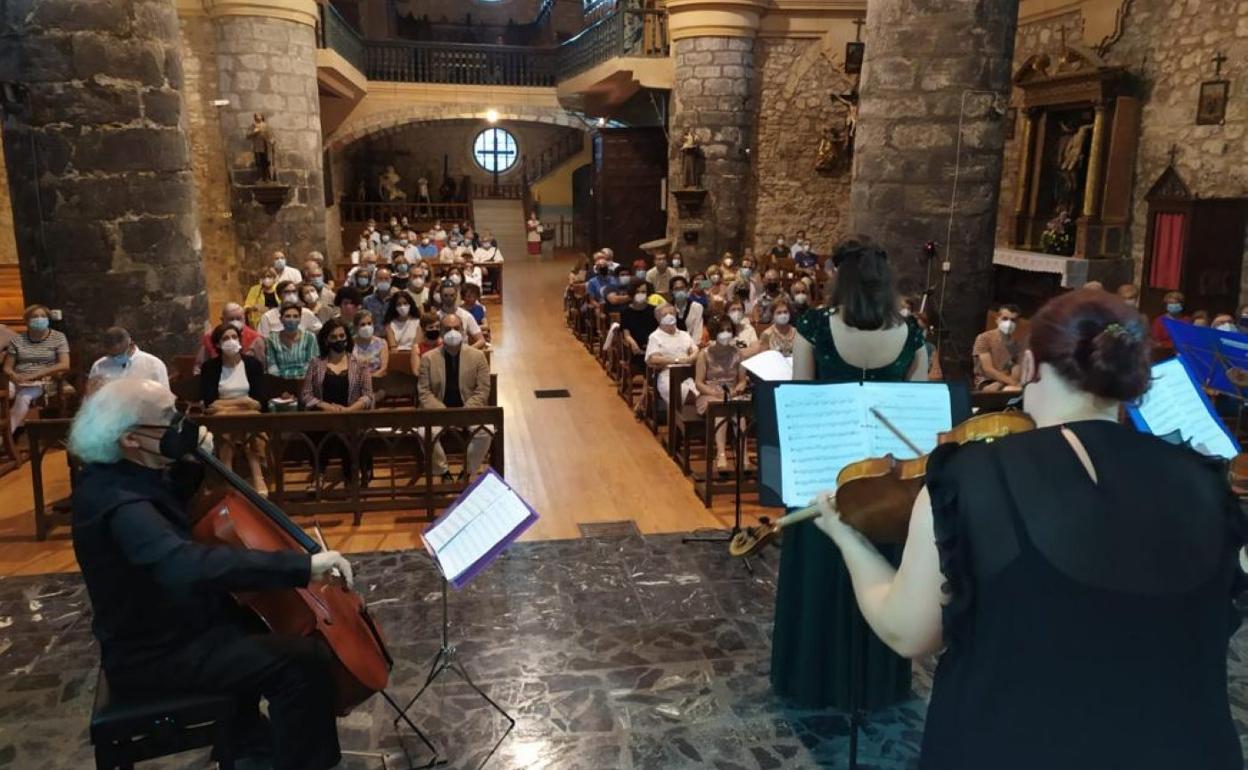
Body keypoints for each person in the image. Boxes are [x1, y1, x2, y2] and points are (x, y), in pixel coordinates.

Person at [813, 288, 1243, 770]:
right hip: (1190, 750)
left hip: (1013, 744)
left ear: (1031, 365)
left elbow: (906, 632)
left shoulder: (970, 476)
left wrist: (845, 535)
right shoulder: (1208, 484)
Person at [68, 378, 350, 770]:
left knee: (257, 626)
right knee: (304, 661)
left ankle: (248, 740)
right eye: (170, 418)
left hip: (168, 627)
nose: (183, 424)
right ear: (131, 439)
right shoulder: (118, 504)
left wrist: (191, 463)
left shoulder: (118, 474)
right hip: (156, 653)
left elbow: (165, 506)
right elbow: (185, 564)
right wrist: (300, 567)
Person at [774, 240, 928, 711]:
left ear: (839, 280)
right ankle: (875, 682)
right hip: (885, 482)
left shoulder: (814, 327)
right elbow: (914, 409)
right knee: (880, 568)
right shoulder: (914, 334)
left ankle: (812, 678)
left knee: (820, 570)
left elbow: (801, 398)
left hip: (826, 471)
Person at [417, 315, 493, 481]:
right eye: (447, 329)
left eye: (456, 328)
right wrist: (444, 412)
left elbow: (483, 390)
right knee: (425, 434)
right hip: (438, 412)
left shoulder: (478, 356)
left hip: (469, 410)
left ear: (463, 331)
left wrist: (465, 411)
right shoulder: (428, 358)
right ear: (441, 332)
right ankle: (443, 472)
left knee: (486, 431)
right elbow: (424, 392)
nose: (452, 332)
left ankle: (466, 471)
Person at [301, 320, 375, 486]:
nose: (338, 339)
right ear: (326, 341)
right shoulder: (316, 363)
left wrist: (349, 410)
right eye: (333, 337)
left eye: (342, 336)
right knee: (316, 429)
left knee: (353, 431)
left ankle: (352, 475)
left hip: (351, 415)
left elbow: (368, 395)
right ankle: (318, 474)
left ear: (347, 339)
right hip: (325, 416)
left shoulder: (360, 364)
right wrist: (326, 407)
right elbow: (306, 395)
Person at [199, 323, 269, 494]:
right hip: (222, 417)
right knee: (225, 423)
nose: (231, 341)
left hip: (247, 414)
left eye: (234, 337)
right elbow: (211, 404)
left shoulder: (252, 365)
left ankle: (257, 475)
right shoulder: (210, 368)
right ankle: (228, 474)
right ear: (217, 344)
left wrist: (230, 404)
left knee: (251, 419)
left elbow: (259, 402)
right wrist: (243, 401)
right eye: (225, 338)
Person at [5, 305, 71, 438]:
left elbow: (64, 364)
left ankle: (5, 438)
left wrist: (34, 375)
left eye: (43, 316)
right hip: (17, 379)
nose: (39, 319)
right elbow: (7, 367)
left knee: (23, 397)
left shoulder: (58, 337)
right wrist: (14, 376)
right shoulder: (17, 340)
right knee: (5, 394)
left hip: (42, 381)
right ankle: (15, 429)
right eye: (35, 317)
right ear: (27, 320)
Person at [694, 315, 749, 472]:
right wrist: (715, 393)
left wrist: (739, 388)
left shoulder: (738, 353)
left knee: (740, 414)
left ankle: (743, 454)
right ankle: (721, 454)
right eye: (722, 330)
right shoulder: (704, 354)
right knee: (721, 411)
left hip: (731, 393)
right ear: (714, 333)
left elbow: (742, 380)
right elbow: (698, 383)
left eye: (729, 330)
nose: (726, 333)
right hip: (709, 394)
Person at [87, 327, 169, 395]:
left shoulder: (153, 364)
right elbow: (89, 398)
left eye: (120, 353)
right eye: (112, 355)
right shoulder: (99, 366)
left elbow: (165, 398)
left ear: (131, 344)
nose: (116, 358)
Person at [645, 304, 698, 408]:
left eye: (672, 313)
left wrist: (690, 358)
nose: (669, 316)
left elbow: (695, 351)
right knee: (688, 396)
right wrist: (678, 361)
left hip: (689, 375)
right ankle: (679, 420)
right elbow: (654, 358)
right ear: (658, 318)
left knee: (703, 394)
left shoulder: (684, 334)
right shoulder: (655, 337)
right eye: (665, 314)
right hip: (668, 376)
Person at [195, 303, 264, 374]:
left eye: (239, 318)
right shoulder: (210, 337)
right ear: (222, 319)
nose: (235, 322)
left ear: (244, 318)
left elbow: (262, 366)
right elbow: (199, 368)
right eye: (231, 319)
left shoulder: (256, 338)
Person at [972, 304, 1023, 392]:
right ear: (997, 319)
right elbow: (987, 369)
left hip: (1007, 382)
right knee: (1014, 391)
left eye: (1013, 320)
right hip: (986, 382)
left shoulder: (1015, 345)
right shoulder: (984, 338)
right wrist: (1013, 383)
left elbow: (1016, 371)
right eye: (1005, 319)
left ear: (1017, 323)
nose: (1009, 323)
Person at [265, 302, 319, 379]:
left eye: (295, 316)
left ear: (300, 319)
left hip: (305, 381)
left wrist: (298, 380)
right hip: (280, 382)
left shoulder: (310, 337)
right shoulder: (272, 339)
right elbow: (272, 365)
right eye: (288, 316)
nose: (292, 319)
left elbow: (312, 365)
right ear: (281, 319)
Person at [351, 310, 389, 379]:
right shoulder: (351, 343)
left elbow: (383, 368)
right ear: (356, 327)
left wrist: (368, 379)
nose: (367, 327)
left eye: (369, 323)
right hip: (355, 380)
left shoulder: (382, 343)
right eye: (363, 324)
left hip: (376, 380)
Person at [668, 275, 704, 344]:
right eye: (676, 289)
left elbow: (697, 332)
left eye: (682, 288)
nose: (680, 291)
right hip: (672, 345)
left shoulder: (697, 307)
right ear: (671, 292)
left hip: (691, 344)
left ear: (687, 289)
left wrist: (692, 348)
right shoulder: (666, 308)